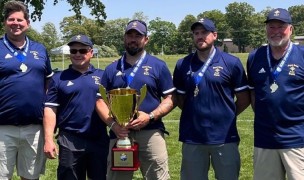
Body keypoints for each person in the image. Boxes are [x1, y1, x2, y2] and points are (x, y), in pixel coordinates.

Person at [96, 19, 175, 180]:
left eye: (138, 36)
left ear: (146, 39)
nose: (133, 39)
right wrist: (113, 125)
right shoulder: (112, 68)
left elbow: (171, 98)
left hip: (151, 132)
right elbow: (100, 101)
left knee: (158, 177)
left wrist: (150, 116)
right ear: (124, 38)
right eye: (129, 35)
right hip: (119, 134)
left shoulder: (157, 65)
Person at [173, 18, 250, 180]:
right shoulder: (183, 64)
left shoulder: (231, 62)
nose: (200, 36)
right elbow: (179, 98)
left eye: (204, 33)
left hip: (224, 136)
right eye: (196, 33)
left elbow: (244, 98)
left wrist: (227, 113)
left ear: (214, 35)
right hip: (193, 136)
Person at [247, 8, 304, 180]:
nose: (276, 31)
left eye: (281, 27)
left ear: (291, 29)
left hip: (297, 138)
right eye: (271, 27)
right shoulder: (254, 56)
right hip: (265, 138)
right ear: (266, 29)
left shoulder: (302, 54)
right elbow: (253, 94)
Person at [43, 35, 109, 180]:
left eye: (82, 50)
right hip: (70, 139)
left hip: (99, 138)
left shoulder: (103, 76)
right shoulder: (58, 77)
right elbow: (50, 109)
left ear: (91, 52)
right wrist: (48, 139)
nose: (78, 54)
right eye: (74, 51)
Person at [0, 1, 53, 180]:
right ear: (5, 22)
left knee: (30, 177)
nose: (16, 23)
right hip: (3, 128)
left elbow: (48, 85)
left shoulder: (40, 49)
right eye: (11, 19)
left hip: (34, 127)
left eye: (20, 19)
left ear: (28, 23)